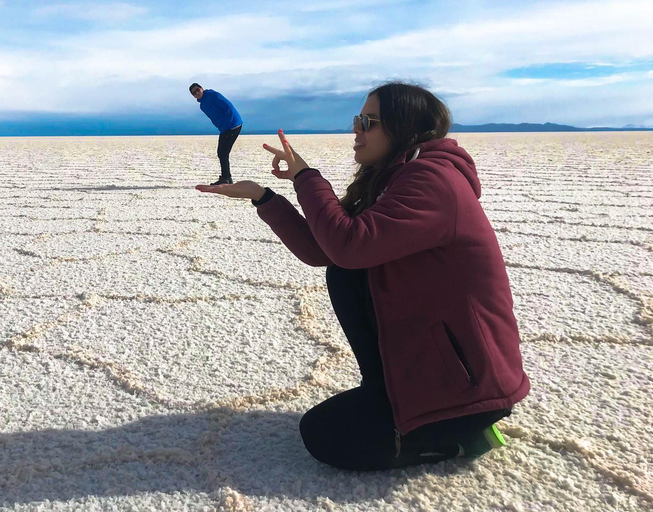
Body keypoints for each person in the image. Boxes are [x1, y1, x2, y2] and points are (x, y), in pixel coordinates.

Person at [195, 81, 530, 471]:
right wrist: (264, 198)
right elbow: (325, 251)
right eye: (358, 119)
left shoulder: (433, 181)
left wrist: (305, 176)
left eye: (367, 121)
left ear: (404, 126)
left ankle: (458, 438)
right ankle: (387, 392)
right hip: (437, 369)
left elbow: (349, 243)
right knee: (346, 274)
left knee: (324, 435)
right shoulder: (397, 178)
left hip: (469, 386)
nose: (356, 129)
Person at [189, 83, 243, 185]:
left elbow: (227, 106)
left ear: (202, 88)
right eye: (194, 93)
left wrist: (228, 123)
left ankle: (226, 178)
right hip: (225, 128)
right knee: (222, 153)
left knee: (222, 153)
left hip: (231, 126)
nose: (197, 93)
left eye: (197, 90)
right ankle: (226, 177)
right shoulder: (202, 105)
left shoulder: (212, 95)